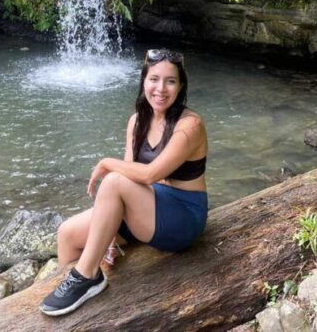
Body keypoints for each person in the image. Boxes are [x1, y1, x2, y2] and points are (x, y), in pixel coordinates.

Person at [40, 49, 208, 316]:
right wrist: (105, 236)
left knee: (114, 180)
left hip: (182, 217)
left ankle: (86, 275)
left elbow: (148, 174)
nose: (161, 89)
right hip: (146, 207)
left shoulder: (190, 126)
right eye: (154, 79)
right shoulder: (137, 121)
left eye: (170, 81)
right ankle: (77, 302)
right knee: (68, 234)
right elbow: (132, 174)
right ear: (143, 81)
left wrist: (106, 162)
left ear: (181, 86)